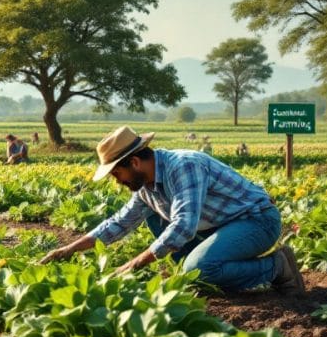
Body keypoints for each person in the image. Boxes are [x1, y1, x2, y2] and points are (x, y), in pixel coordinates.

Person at [38, 125, 305, 295]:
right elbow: (119, 223)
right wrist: (67, 249)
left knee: (200, 270)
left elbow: (183, 226)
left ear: (134, 162)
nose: (117, 181)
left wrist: (134, 263)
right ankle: (197, 269)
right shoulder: (146, 186)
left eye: (116, 174)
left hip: (256, 221)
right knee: (154, 214)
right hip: (220, 226)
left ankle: (276, 266)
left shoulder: (183, 166)